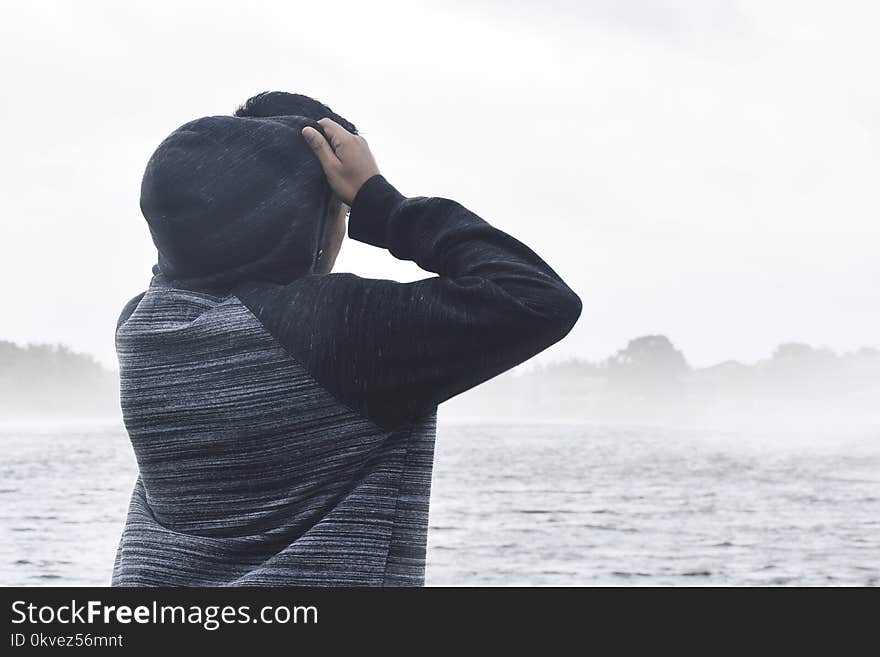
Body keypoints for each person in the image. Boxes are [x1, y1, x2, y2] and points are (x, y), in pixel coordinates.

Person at [111, 91, 582, 586]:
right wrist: (379, 200)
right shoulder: (334, 332)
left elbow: (194, 240)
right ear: (304, 222)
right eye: (337, 210)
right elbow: (538, 297)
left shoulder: (145, 326)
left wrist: (246, 157)